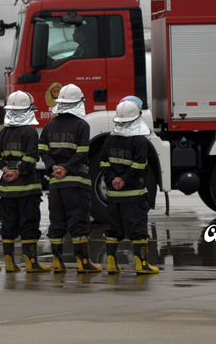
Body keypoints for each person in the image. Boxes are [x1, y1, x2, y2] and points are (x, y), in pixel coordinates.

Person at [39, 84, 101, 273]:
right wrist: (67, 169)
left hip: (56, 184)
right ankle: (83, 263)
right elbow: (82, 151)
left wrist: (53, 167)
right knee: (78, 222)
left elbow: (42, 148)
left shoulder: (50, 125)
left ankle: (57, 262)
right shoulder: (82, 125)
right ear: (79, 102)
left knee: (57, 222)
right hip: (76, 183)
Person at [0, 91, 49, 273]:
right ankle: (31, 263)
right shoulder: (30, 131)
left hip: (6, 188)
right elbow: (31, 157)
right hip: (27, 187)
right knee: (29, 224)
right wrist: (18, 172)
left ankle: (9, 262)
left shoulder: (2, 132)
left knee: (8, 225)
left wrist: (7, 170)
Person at [101, 96, 160, 274]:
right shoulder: (140, 141)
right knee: (138, 230)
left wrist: (113, 179)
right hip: (134, 195)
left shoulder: (109, 139)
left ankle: (111, 263)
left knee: (113, 229)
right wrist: (125, 180)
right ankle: (142, 265)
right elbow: (139, 166)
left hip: (113, 196)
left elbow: (103, 164)